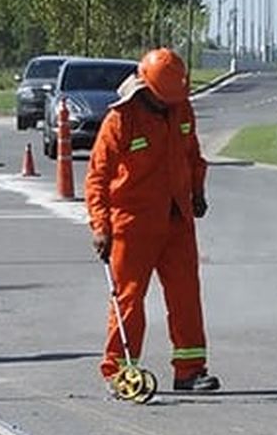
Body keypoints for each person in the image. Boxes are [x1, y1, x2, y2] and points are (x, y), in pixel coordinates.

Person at [85, 46, 218, 393]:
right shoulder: (121, 119)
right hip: (133, 224)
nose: (170, 105)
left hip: (177, 220)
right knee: (128, 299)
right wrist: (100, 226)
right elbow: (97, 177)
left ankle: (190, 370)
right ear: (147, 89)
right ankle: (119, 372)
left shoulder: (181, 107)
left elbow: (192, 155)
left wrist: (198, 192)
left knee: (186, 295)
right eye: (165, 100)